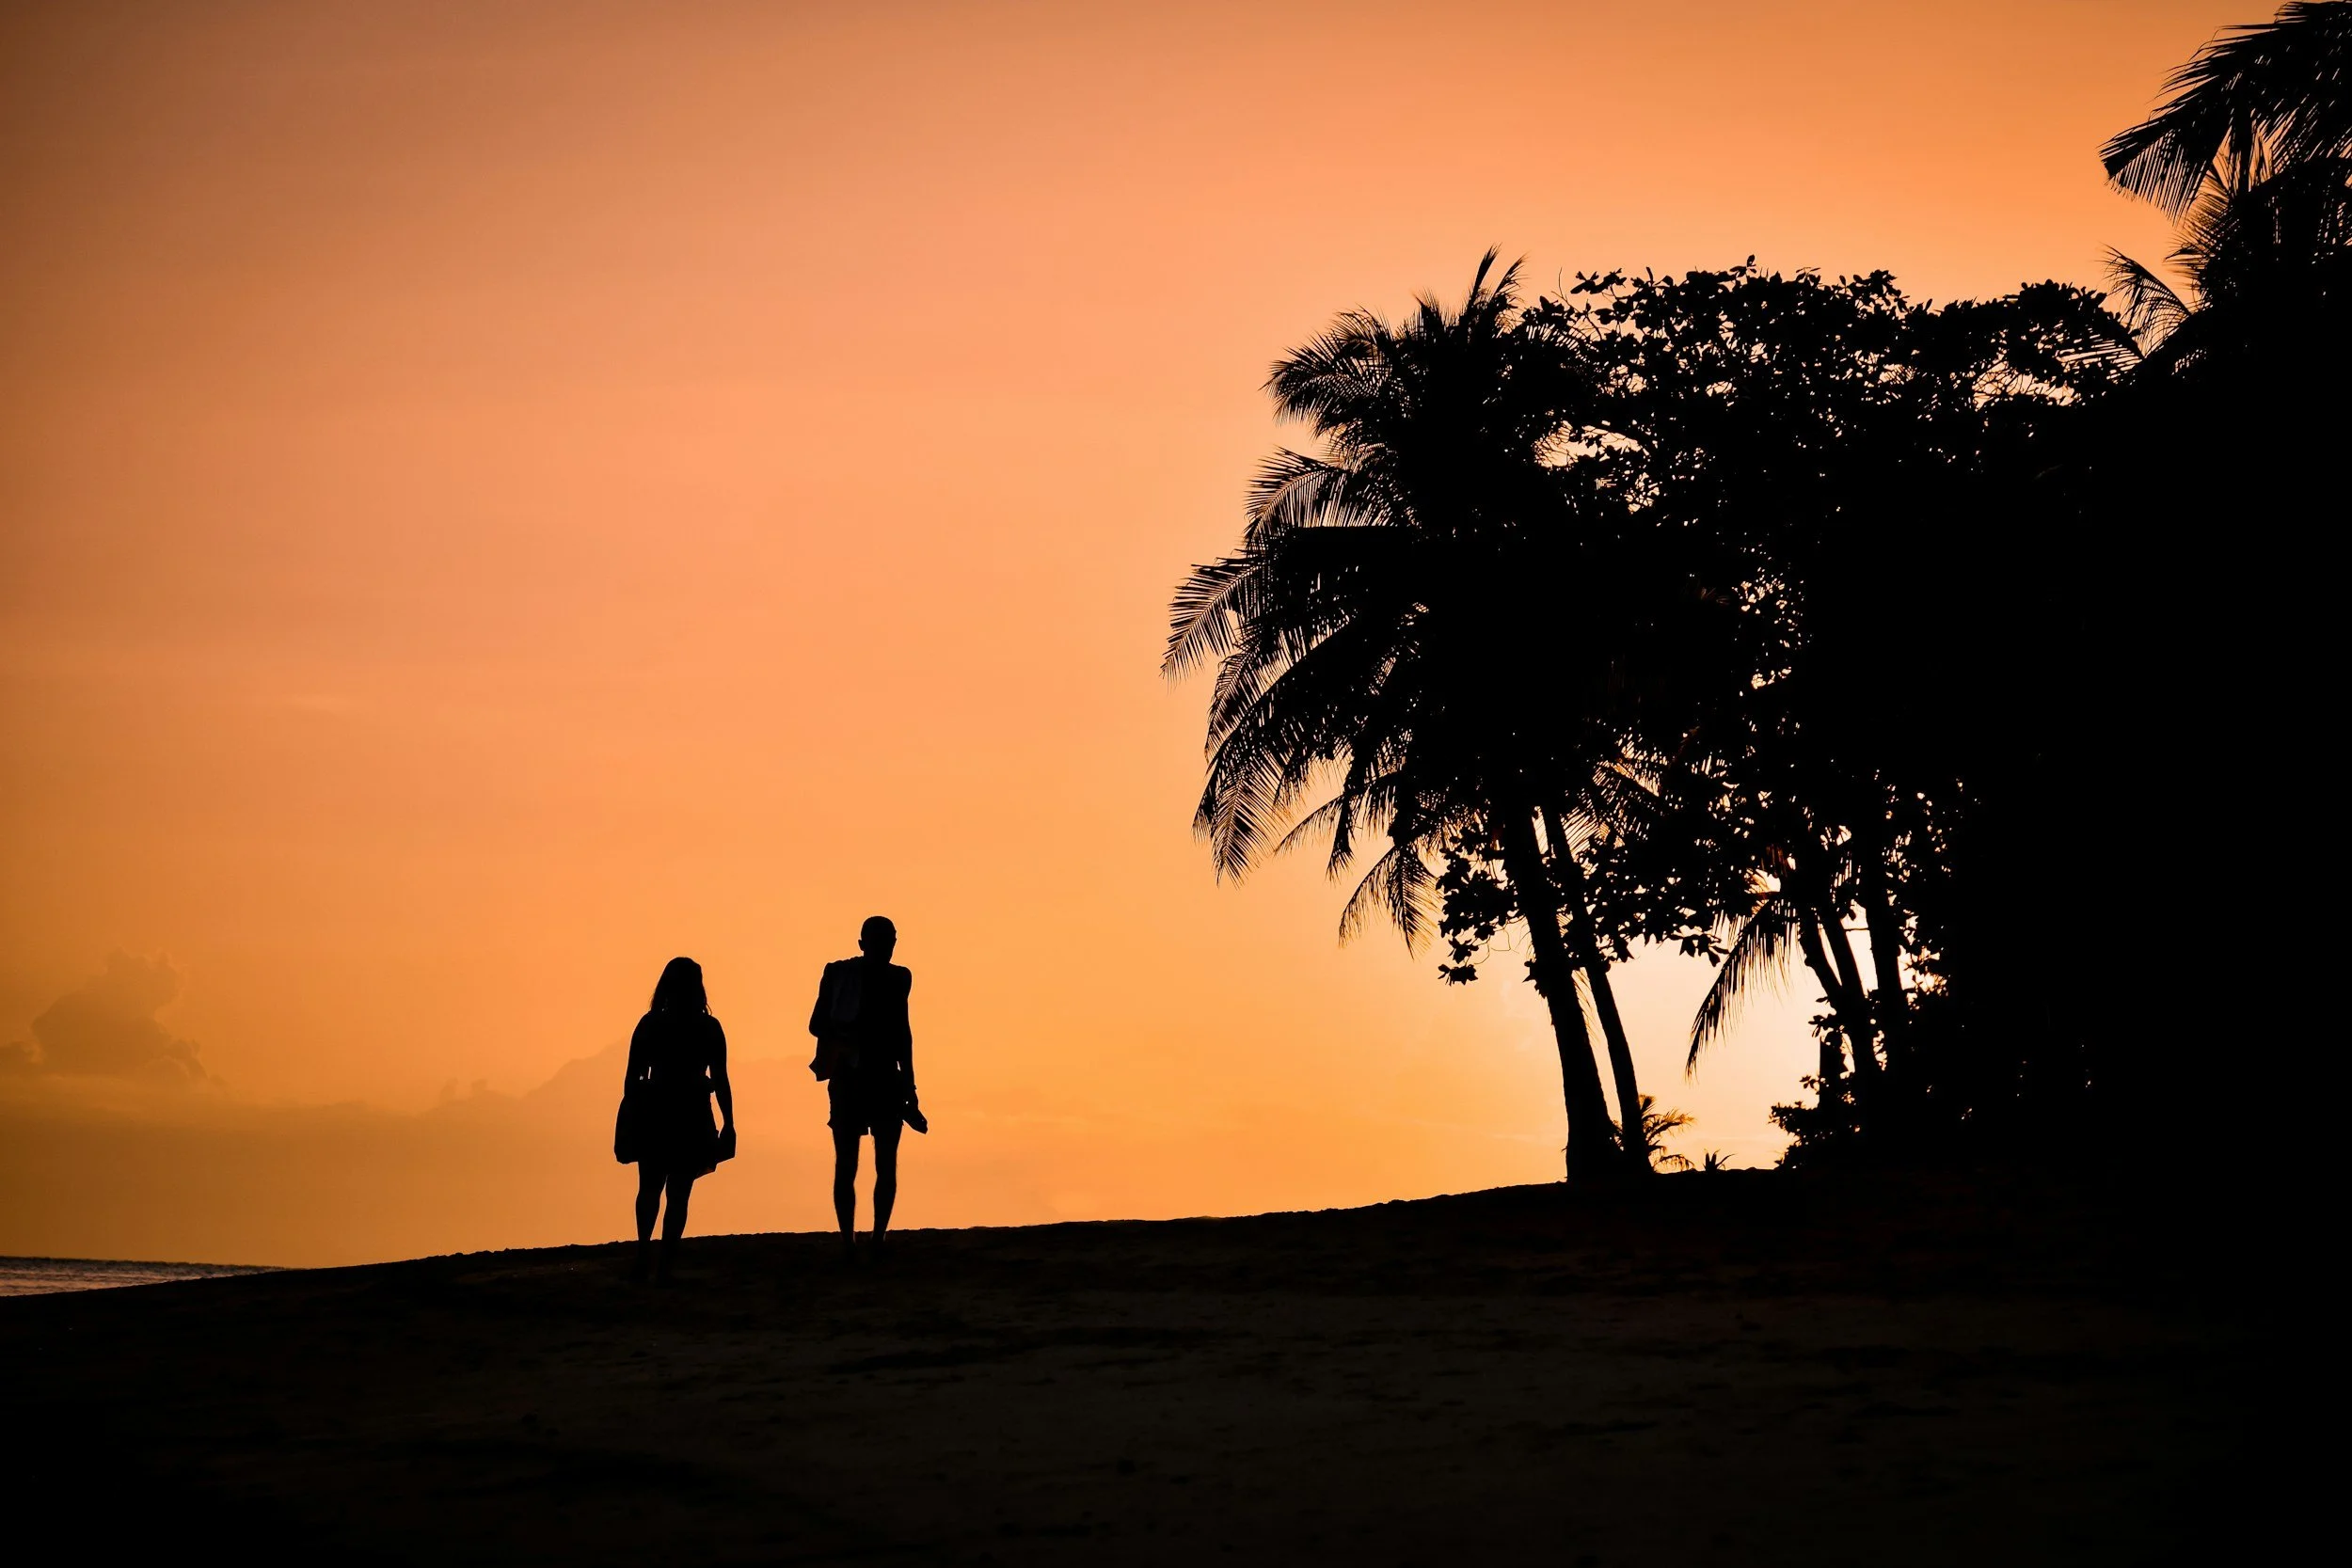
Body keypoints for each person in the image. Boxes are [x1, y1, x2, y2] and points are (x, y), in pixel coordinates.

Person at [808, 915, 923, 1258]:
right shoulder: (837, 974)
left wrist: (911, 1085)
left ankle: (877, 1238)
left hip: (886, 1077)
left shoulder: (899, 978)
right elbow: (816, 1024)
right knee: (848, 1162)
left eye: (889, 942)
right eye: (878, 942)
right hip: (849, 1076)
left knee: (885, 1162)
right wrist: (849, 1034)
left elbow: (903, 1031)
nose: (884, 949)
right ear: (862, 944)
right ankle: (848, 1240)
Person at [616, 957, 735, 1282]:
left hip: (657, 1110)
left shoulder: (651, 1024)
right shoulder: (709, 1028)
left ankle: (644, 1253)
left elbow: (632, 1079)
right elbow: (721, 1079)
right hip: (692, 1112)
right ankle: (665, 1262)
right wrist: (729, 1122)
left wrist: (634, 1112)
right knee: (678, 1192)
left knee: (650, 1187)